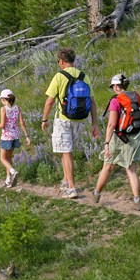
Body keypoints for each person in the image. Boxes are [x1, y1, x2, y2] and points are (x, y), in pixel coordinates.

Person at [41, 48, 99, 199]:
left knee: (66, 153)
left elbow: (49, 101)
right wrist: (95, 124)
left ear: (61, 61)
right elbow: (92, 102)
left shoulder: (59, 76)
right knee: (65, 150)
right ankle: (66, 181)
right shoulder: (84, 76)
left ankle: (72, 188)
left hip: (64, 119)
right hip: (80, 120)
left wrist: (44, 119)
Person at [88, 74, 140, 211]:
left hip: (119, 137)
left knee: (107, 166)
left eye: (113, 86)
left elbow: (112, 124)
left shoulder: (116, 101)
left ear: (117, 86)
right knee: (131, 169)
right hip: (134, 136)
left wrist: (106, 142)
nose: (113, 89)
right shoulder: (136, 96)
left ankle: (96, 194)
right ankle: (137, 201)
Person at [0, 89, 31, 188]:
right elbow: (22, 123)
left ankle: (13, 171)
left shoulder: (3, 109)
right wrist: (27, 136)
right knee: (9, 158)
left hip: (6, 137)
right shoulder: (18, 108)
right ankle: (8, 180)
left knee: (2, 158)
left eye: (1, 99)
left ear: (4, 99)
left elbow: (2, 125)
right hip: (15, 136)